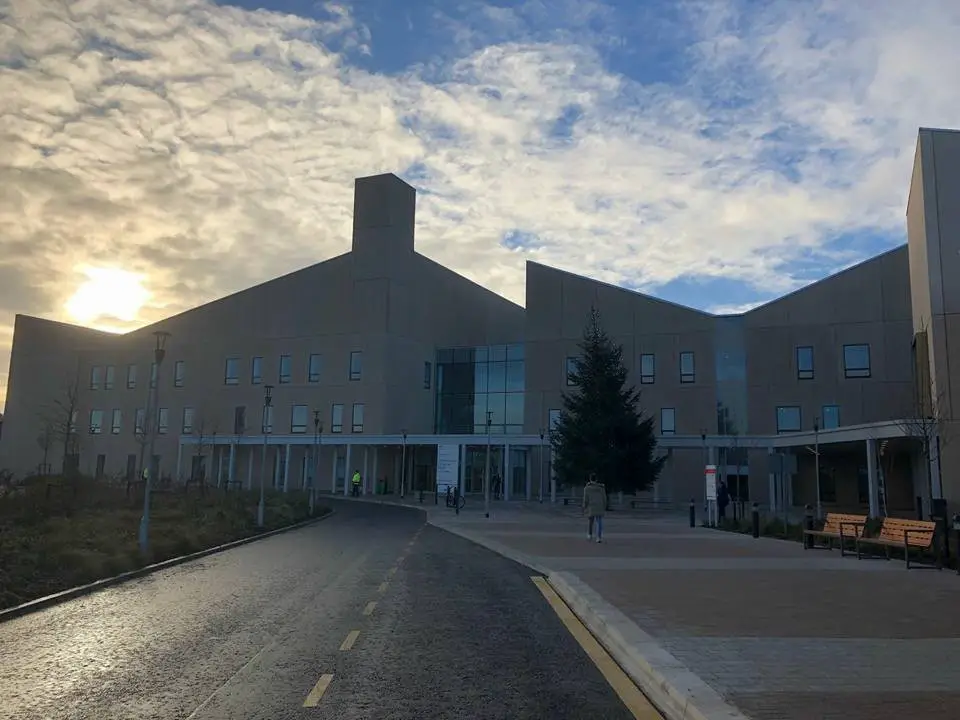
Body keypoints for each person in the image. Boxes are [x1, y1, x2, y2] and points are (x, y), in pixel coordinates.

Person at [582, 473, 607, 543]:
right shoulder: (601, 488)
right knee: (599, 521)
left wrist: (584, 506)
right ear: (596, 479)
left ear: (590, 479)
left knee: (590, 521)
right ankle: (598, 537)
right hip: (599, 505)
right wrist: (604, 505)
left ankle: (590, 534)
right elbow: (604, 497)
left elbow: (585, 499)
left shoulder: (587, 488)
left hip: (591, 505)